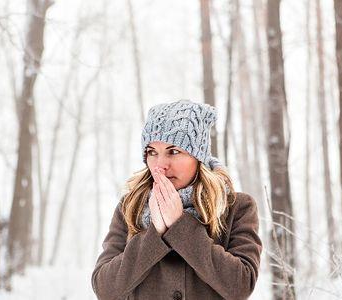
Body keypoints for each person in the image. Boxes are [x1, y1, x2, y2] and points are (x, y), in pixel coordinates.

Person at [91, 100, 262, 300]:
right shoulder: (130, 207)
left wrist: (179, 225)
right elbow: (105, 288)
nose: (160, 165)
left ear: (198, 157)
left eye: (173, 151)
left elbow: (240, 285)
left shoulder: (236, 207)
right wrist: (155, 234)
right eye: (152, 152)